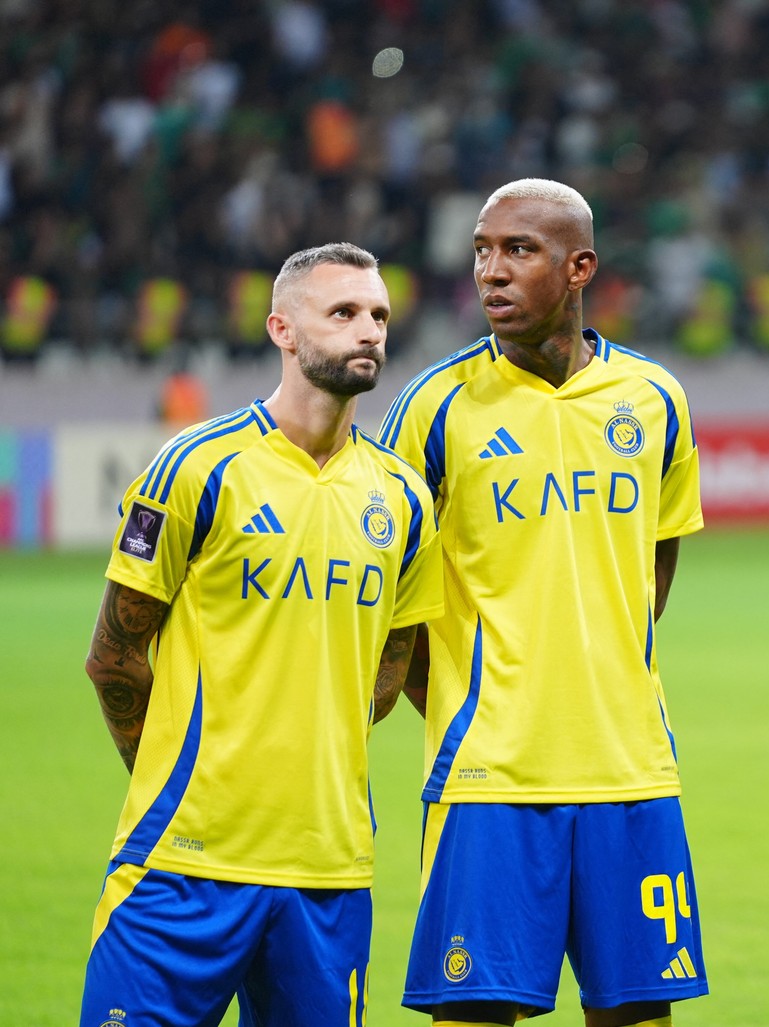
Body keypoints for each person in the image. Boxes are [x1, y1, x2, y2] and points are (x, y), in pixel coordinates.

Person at [81, 242, 444, 1025]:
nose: (369, 330)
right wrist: (176, 782)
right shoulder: (196, 466)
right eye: (343, 313)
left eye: (378, 315)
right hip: (181, 866)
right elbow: (112, 656)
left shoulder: (405, 499)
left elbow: (392, 664)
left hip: (329, 871)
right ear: (282, 328)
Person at [378, 178, 707, 1027]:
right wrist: (467, 705)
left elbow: (649, 579)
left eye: (518, 250)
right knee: (476, 1012)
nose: (491, 270)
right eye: (482, 251)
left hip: (631, 768)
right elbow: (392, 609)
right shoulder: (432, 409)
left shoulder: (655, 400)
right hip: (489, 776)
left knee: (636, 1014)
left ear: (578, 267)